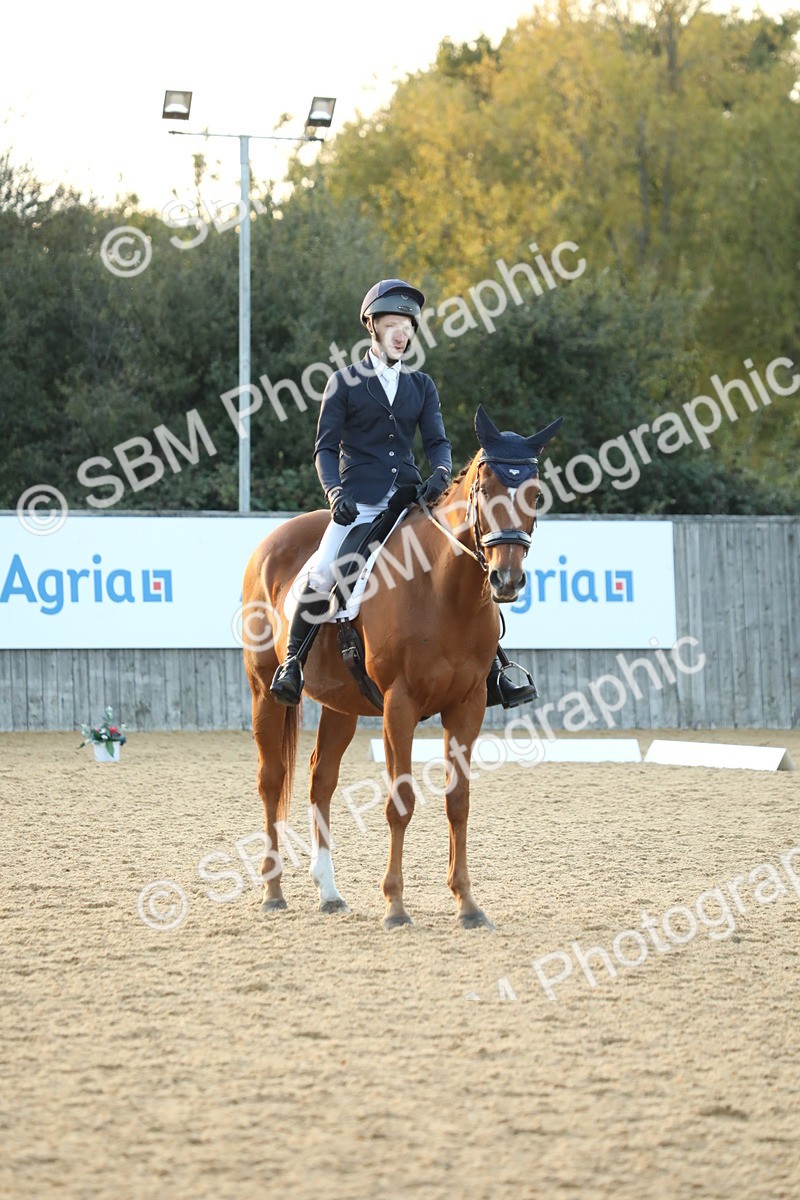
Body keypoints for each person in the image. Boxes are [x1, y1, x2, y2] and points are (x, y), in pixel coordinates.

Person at [270, 278, 538, 711]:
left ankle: (495, 668)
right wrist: (336, 493)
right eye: (392, 324)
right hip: (358, 504)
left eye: (407, 326)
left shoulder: (422, 385)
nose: (401, 333)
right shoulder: (344, 382)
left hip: (411, 501)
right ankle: (293, 665)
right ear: (372, 327)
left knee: (462, 567)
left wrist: (443, 472)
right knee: (321, 573)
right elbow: (324, 448)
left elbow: (436, 441)